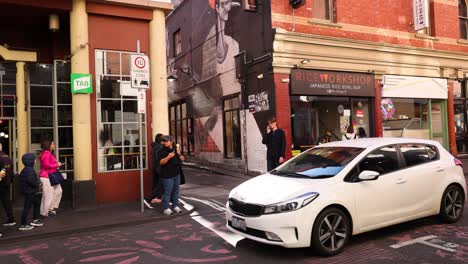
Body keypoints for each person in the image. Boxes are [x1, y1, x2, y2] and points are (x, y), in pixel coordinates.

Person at [159, 135, 185, 215]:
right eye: (164, 141)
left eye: (167, 141)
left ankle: (175, 206)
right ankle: (166, 208)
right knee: (167, 192)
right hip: (167, 175)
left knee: (176, 191)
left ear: (171, 142)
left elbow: (182, 159)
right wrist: (168, 157)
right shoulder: (162, 151)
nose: (165, 143)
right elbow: (161, 162)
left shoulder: (175, 149)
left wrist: (179, 153)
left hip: (176, 174)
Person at [19, 153, 44, 231]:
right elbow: (31, 180)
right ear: (31, 161)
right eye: (34, 159)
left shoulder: (27, 169)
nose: (35, 160)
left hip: (30, 191)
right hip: (30, 192)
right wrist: (38, 184)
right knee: (27, 208)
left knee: (37, 203)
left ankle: (35, 220)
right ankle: (23, 224)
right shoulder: (29, 170)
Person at [39, 140, 62, 217]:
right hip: (47, 176)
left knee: (58, 191)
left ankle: (49, 209)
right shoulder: (46, 153)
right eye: (52, 144)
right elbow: (46, 165)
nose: (54, 145)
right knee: (48, 195)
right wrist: (56, 164)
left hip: (51, 176)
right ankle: (45, 213)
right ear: (48, 145)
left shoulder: (48, 153)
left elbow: (49, 164)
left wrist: (56, 164)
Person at [143, 133, 164, 209]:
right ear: (160, 140)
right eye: (163, 138)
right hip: (160, 168)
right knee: (161, 184)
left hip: (155, 168)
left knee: (156, 183)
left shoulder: (154, 147)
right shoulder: (160, 147)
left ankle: (154, 198)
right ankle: (150, 198)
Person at [0, 143, 15, 228]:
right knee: (6, 201)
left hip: (1, 182)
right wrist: (11, 180)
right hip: (7, 182)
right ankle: (11, 218)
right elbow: (10, 170)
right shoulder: (7, 157)